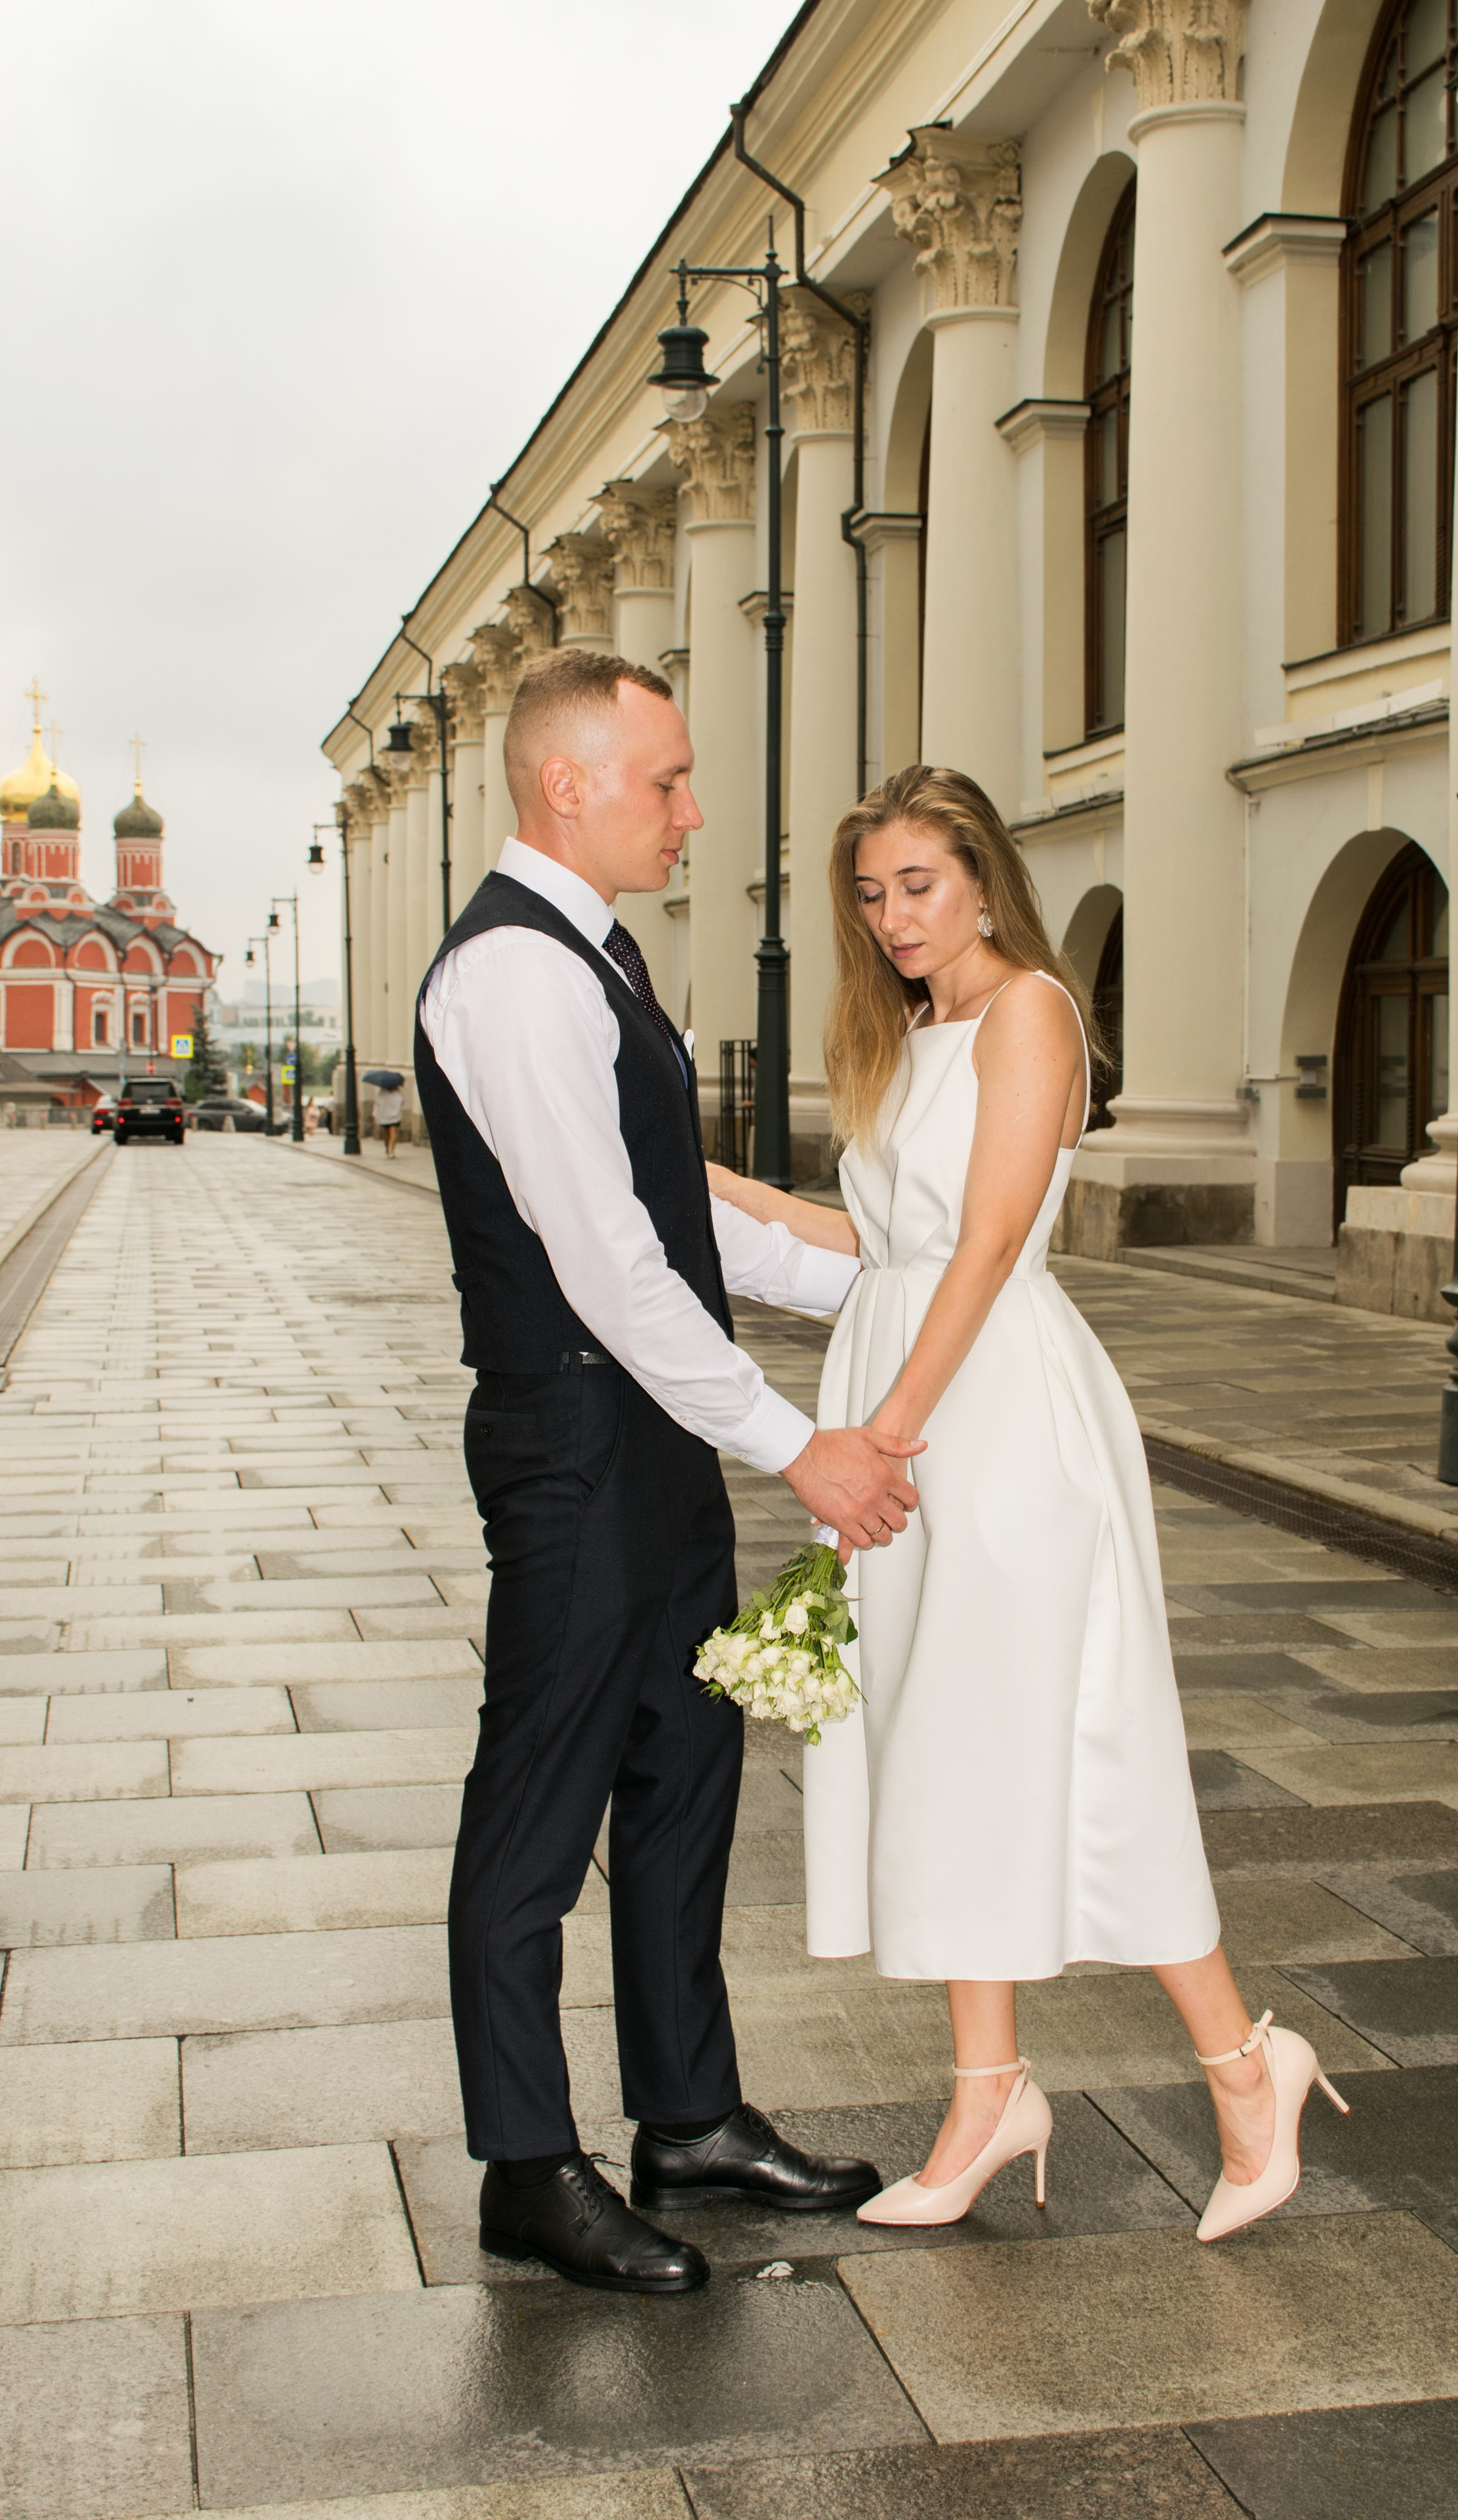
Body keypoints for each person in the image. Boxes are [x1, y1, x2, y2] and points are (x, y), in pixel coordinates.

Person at [708, 766, 1348, 2242]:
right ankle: (987, 2092)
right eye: (869, 895)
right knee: (941, 1745)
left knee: (1072, 1741)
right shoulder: (909, 1032)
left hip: (983, 1413)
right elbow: (873, 1241)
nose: (891, 918)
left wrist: (887, 1433)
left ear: (986, 883)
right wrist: (713, 1185)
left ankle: (1246, 2065)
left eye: (918, 886)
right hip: (914, 1386)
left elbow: (989, 1243)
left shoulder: (1030, 1012)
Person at [413, 648, 925, 2298]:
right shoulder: (513, 974)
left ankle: (687, 2116)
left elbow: (678, 1220)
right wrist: (803, 1446)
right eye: (667, 780)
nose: (692, 811)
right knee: (539, 1803)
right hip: (573, 1438)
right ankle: (524, 2161)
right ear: (567, 783)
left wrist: (878, 1291)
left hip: (641, 1436)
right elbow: (609, 1268)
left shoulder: (598, 957)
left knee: (683, 1774)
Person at [373, 1075, 405, 1157]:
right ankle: (390, 1150)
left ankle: (389, 1150)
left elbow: (378, 1103)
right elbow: (401, 1102)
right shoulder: (397, 1093)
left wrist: (376, 1114)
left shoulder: (382, 1092)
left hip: (386, 1116)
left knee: (389, 1133)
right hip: (393, 1116)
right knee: (390, 1133)